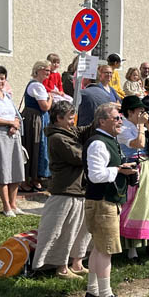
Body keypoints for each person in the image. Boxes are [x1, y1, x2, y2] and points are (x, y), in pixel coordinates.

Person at [83, 103, 137, 297]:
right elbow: (95, 176)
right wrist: (119, 170)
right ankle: (106, 295)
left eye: (120, 118)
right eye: (116, 118)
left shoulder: (107, 140)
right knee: (106, 250)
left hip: (104, 201)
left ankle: (93, 291)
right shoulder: (98, 143)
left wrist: (121, 169)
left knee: (99, 248)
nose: (120, 121)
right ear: (102, 121)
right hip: (102, 201)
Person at [31, 101, 92, 279]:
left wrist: (103, 117)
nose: (74, 121)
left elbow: (84, 130)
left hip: (78, 190)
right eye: (70, 118)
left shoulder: (69, 131)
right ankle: (61, 267)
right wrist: (94, 151)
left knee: (80, 230)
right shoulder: (58, 138)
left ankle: (77, 263)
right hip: (65, 192)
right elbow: (79, 156)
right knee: (63, 231)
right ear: (58, 118)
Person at [117, 95, 149, 261]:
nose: (143, 113)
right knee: (137, 207)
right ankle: (133, 250)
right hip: (135, 169)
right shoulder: (123, 128)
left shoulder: (141, 127)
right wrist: (140, 126)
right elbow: (138, 144)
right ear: (130, 112)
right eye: (140, 110)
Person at [0, 65, 25, 216]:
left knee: (16, 168)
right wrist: (9, 123)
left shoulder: (7, 96)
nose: (0, 81)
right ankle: (6, 206)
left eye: (2, 78)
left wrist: (15, 125)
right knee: (4, 171)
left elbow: (16, 115)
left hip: (13, 135)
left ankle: (14, 204)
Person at [21, 60, 53, 192]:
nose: (48, 73)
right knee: (34, 146)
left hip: (36, 117)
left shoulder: (37, 85)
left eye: (49, 71)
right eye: (46, 70)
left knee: (37, 147)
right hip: (35, 119)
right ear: (39, 70)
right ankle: (28, 179)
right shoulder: (37, 86)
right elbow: (44, 106)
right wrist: (50, 99)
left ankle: (35, 178)